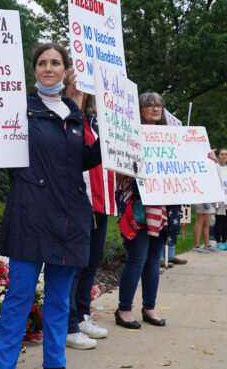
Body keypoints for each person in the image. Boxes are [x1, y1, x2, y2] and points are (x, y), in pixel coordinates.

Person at [0, 43, 101, 369]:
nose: (49, 68)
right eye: (42, 63)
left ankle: (55, 363)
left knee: (58, 298)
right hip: (29, 212)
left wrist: (110, 145)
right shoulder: (19, 107)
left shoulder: (74, 111)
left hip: (69, 217)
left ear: (67, 70)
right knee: (19, 295)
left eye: (56, 62)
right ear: (34, 69)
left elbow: (79, 160)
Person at [62, 71, 110, 350]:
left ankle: (82, 315)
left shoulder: (95, 121)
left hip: (101, 201)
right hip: (77, 200)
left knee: (93, 260)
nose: (81, 91)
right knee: (74, 264)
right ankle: (68, 325)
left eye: (85, 87)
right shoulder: (63, 119)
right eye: (76, 85)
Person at [115, 92, 170, 330]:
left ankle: (149, 307)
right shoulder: (128, 136)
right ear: (139, 110)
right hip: (136, 204)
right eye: (150, 105)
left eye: (159, 105)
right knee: (138, 256)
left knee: (154, 259)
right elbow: (118, 172)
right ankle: (124, 308)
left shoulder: (171, 138)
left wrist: (205, 158)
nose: (155, 109)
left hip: (164, 205)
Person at [213, 148, 227, 250]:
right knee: (219, 221)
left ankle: (225, 241)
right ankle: (218, 242)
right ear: (218, 156)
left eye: (226, 154)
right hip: (221, 199)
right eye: (222, 154)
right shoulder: (215, 167)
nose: (224, 156)